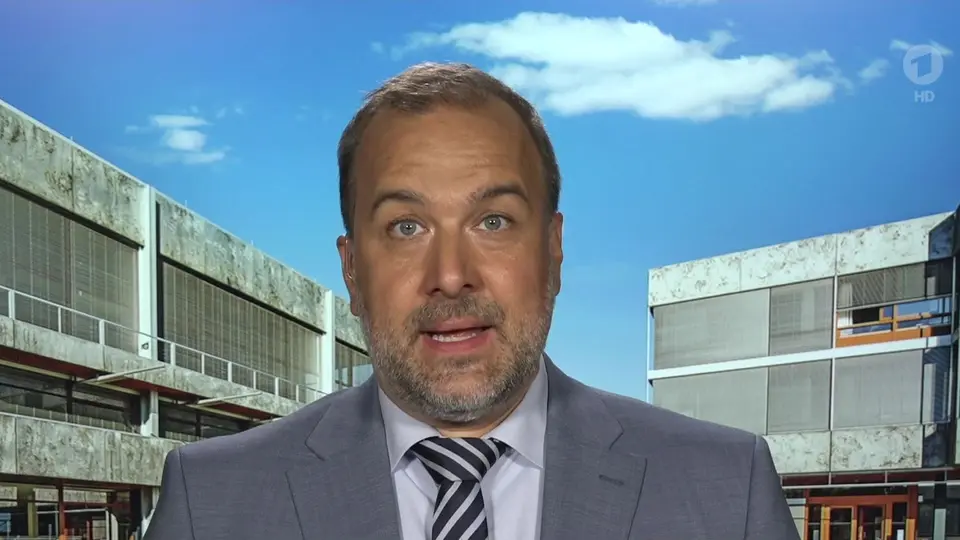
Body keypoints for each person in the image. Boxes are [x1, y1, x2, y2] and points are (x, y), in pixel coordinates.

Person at [144, 62, 800, 540]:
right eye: (406, 227)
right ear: (352, 270)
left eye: (493, 221)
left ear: (553, 251)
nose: (452, 276)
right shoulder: (212, 504)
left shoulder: (727, 493)